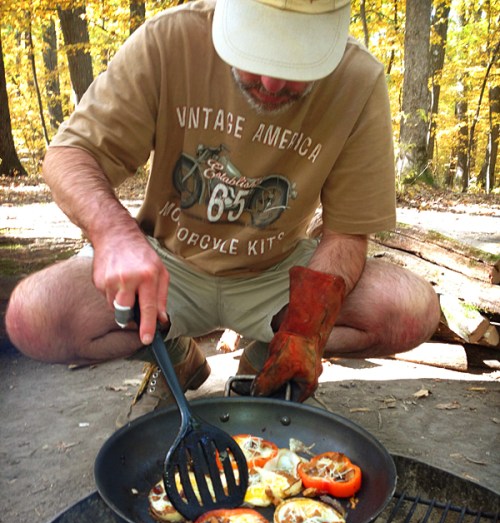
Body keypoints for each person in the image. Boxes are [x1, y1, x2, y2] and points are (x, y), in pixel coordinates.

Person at [6, 0, 440, 422]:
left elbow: (346, 235)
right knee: (35, 316)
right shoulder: (170, 40)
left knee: (408, 310)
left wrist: (304, 329)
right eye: (254, 51)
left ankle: (266, 358)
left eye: (299, 62)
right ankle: (173, 355)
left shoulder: (358, 79)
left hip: (278, 275)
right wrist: (114, 235)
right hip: (166, 266)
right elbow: (69, 155)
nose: (271, 83)